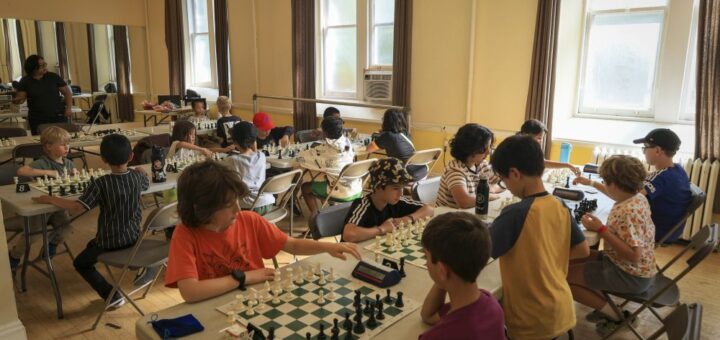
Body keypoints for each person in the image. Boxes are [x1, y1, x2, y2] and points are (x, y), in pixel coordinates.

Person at [164, 160, 361, 302]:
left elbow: (291, 244)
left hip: (255, 298)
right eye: (228, 205)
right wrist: (244, 277)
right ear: (204, 208)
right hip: (213, 305)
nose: (238, 210)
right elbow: (190, 292)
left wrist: (327, 247)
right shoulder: (185, 235)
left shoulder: (248, 220)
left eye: (237, 202)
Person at [489, 135, 590, 339]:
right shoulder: (560, 204)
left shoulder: (515, 213)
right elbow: (583, 250)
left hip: (530, 319)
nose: (506, 186)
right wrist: (546, 258)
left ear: (514, 173)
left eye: (503, 179)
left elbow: (479, 254)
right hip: (561, 309)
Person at [32, 134, 150, 307]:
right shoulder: (136, 178)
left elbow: (76, 208)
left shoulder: (101, 183)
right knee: (91, 245)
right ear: (131, 157)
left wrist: (50, 199)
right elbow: (145, 183)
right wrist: (140, 170)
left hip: (109, 241)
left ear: (103, 159)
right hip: (134, 237)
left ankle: (112, 295)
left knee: (80, 263)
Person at [567, 155, 657, 336]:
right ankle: (605, 306)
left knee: (566, 278)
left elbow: (634, 255)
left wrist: (601, 229)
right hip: (631, 267)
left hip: (631, 275)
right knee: (571, 260)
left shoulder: (628, 212)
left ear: (613, 185)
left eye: (605, 182)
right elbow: (614, 192)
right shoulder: (636, 197)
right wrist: (592, 184)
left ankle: (616, 316)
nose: (605, 185)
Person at [574, 128, 691, 244]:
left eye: (645, 147)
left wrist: (593, 184)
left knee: (595, 223)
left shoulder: (662, 178)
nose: (644, 151)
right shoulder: (677, 169)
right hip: (670, 229)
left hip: (654, 230)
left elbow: (625, 197)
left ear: (658, 150)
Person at [419, 212, 505, 340]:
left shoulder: (435, 336)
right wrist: (443, 275)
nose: (426, 264)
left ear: (443, 270)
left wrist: (443, 274)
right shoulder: (491, 304)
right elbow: (428, 315)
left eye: (426, 257)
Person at [8, 126, 75, 274]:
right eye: (63, 144)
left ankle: (50, 246)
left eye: (68, 144)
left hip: (57, 206)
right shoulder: (42, 162)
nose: (67, 147)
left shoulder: (69, 163)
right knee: (33, 236)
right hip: (39, 209)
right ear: (49, 146)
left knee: (67, 228)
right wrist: (47, 172)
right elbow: (21, 171)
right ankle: (14, 256)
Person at [342, 158, 434, 242]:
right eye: (395, 188)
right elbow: (349, 234)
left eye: (402, 188)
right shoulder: (363, 205)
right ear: (378, 187)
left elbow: (429, 209)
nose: (401, 193)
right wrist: (382, 229)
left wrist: (407, 219)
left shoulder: (398, 201)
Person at [299, 116, 359, 214]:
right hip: (355, 188)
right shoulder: (348, 142)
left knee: (305, 187)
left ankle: (315, 217)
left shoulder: (325, 151)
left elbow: (302, 159)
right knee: (327, 177)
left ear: (325, 132)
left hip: (340, 191)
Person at [436, 123, 503, 208]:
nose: (488, 152)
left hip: (470, 213)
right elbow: (464, 201)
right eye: (484, 148)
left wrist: (493, 188)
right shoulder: (455, 170)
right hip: (449, 217)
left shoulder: (482, 164)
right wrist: (488, 196)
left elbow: (503, 181)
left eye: (490, 146)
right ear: (470, 149)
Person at [12, 55, 73, 135]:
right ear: (33, 68)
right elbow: (21, 98)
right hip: (37, 118)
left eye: (45, 64)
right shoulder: (25, 81)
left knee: (61, 138)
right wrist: (17, 100)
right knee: (40, 141)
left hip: (57, 115)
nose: (45, 67)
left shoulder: (53, 76)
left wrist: (69, 108)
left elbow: (67, 93)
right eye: (42, 65)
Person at [223, 122, 275, 215]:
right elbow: (253, 153)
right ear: (255, 140)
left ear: (235, 142)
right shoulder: (262, 156)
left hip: (248, 207)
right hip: (268, 202)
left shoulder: (232, 160)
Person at [365, 109, 426, 181]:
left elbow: (368, 149)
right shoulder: (405, 132)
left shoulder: (387, 136)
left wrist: (381, 137)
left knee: (376, 168)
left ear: (386, 121)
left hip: (406, 173)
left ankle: (382, 190)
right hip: (420, 169)